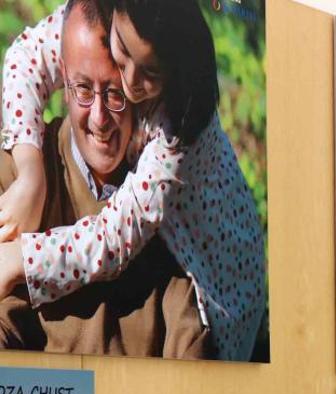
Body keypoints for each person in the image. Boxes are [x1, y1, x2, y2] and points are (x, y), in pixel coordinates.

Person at [0, 0, 265, 361]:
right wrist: (31, 175)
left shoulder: (179, 133)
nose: (131, 82)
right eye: (122, 52)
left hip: (217, 280)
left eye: (151, 72)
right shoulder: (110, 15)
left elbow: (111, 241)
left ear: (176, 67)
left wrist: (21, 259)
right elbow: (25, 58)